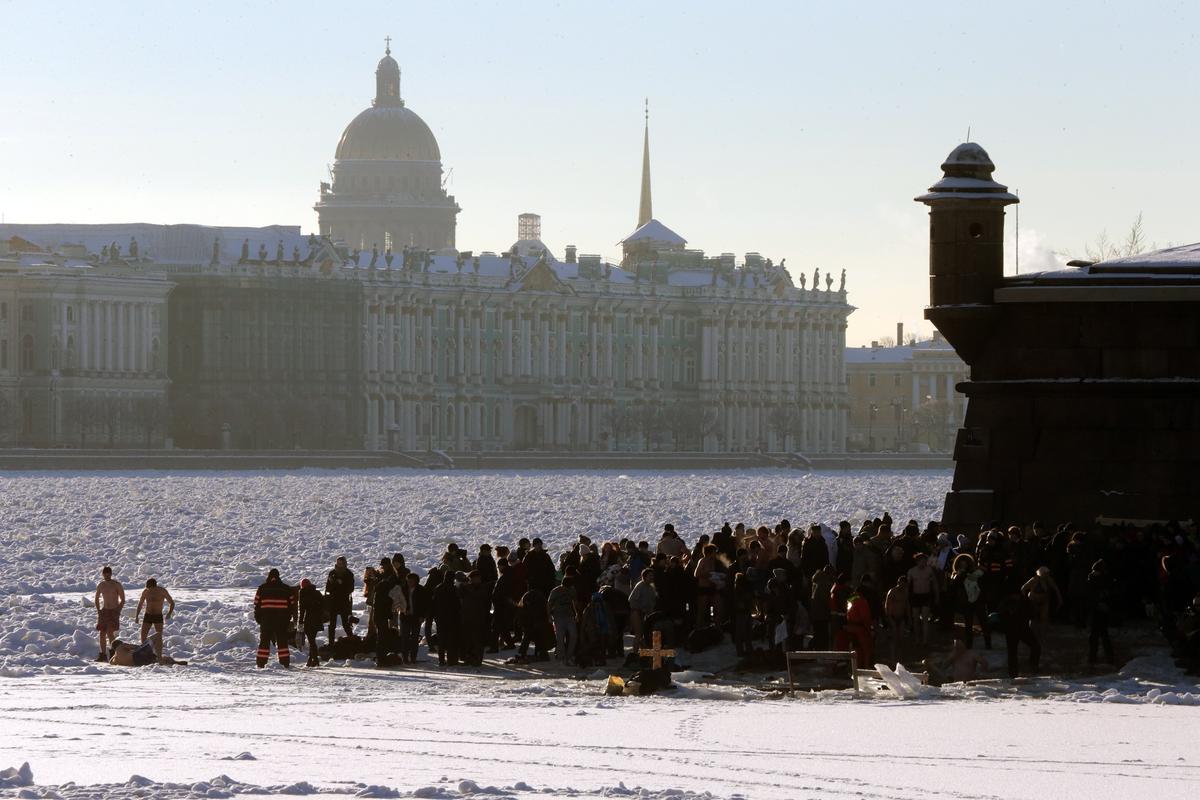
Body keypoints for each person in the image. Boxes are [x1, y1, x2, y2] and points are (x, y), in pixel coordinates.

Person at [253, 568, 296, 668]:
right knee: (282, 643)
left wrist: (259, 618)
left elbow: (256, 604)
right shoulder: (286, 589)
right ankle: (285, 663)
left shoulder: (262, 588)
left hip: (266, 620)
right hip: (281, 621)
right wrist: (287, 619)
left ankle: (261, 663)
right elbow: (292, 605)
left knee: (264, 642)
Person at [134, 578, 174, 661]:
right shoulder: (146, 591)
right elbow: (140, 604)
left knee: (159, 635)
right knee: (143, 635)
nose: (149, 590)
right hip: (148, 615)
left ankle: (158, 655)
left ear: (154, 586)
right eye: (148, 588)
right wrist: (137, 616)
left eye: (150, 588)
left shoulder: (162, 591)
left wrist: (169, 613)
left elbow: (172, 603)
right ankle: (145, 654)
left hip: (158, 616)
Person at [1086, 559, 1115, 665]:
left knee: (1096, 635)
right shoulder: (1102, 581)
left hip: (1097, 610)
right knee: (1102, 634)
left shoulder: (1094, 580)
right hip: (1099, 610)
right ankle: (1108, 656)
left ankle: (1093, 658)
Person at [906, 553, 940, 645]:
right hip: (915, 596)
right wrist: (907, 598)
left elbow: (935, 584)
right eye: (921, 561)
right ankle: (917, 639)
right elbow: (907, 586)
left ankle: (925, 640)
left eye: (925, 561)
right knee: (916, 619)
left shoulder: (929, 571)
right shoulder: (911, 571)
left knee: (925, 619)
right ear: (917, 562)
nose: (923, 563)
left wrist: (937, 596)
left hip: (926, 596)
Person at [94, 566, 125, 662]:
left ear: (111, 574)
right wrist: (99, 610)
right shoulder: (101, 585)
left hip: (113, 611)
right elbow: (96, 598)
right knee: (102, 633)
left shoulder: (116, 585)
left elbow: (123, 600)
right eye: (105, 574)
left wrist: (118, 610)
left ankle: (113, 652)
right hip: (104, 611)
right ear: (103, 574)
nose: (107, 576)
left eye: (108, 574)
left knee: (110, 632)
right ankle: (102, 654)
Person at [548, 575, 579, 665]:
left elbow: (574, 602)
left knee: (574, 635)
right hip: (558, 616)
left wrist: (577, 613)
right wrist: (549, 615)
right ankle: (561, 655)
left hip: (570, 616)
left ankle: (569, 655)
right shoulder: (555, 591)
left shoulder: (572, 590)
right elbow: (549, 603)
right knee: (560, 637)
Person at [297, 578, 327, 667]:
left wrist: (300, 621)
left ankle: (316, 660)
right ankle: (310, 660)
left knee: (311, 641)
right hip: (317, 619)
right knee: (312, 639)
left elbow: (302, 609)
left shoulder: (302, 593)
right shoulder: (317, 592)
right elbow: (324, 604)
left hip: (309, 619)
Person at [324, 556, 356, 642]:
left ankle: (352, 641)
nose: (339, 565)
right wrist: (333, 583)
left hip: (344, 602)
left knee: (346, 624)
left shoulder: (349, 574)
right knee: (332, 624)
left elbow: (350, 589)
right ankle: (331, 643)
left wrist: (341, 584)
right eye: (338, 563)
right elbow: (328, 588)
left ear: (344, 564)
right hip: (333, 601)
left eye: (341, 563)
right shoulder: (332, 573)